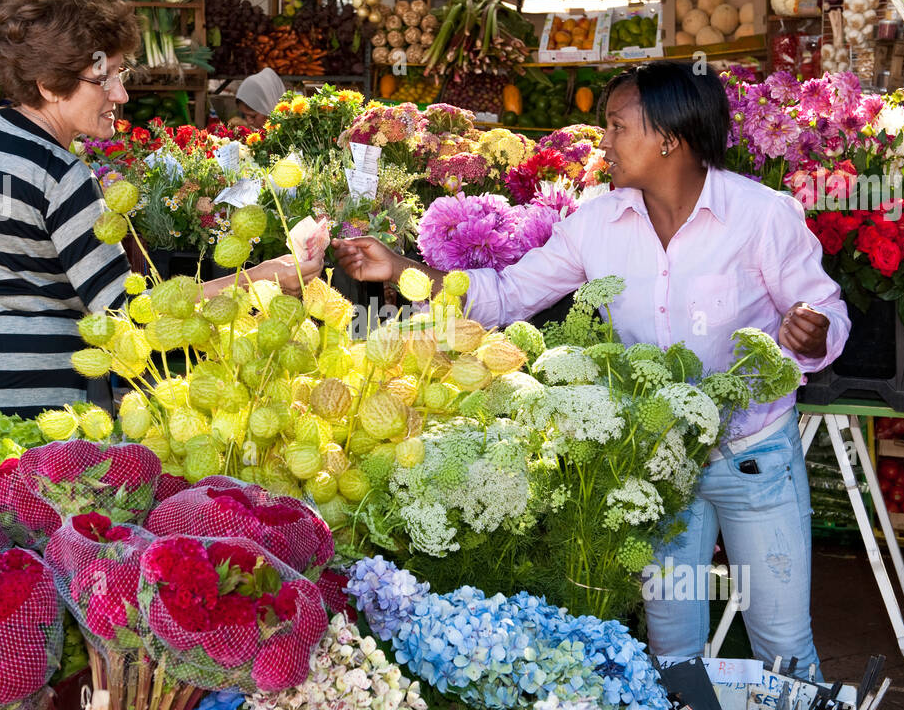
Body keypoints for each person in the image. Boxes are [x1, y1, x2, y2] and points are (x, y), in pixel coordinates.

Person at [332, 61, 850, 678]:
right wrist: (405, 271)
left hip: (754, 457)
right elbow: (508, 296)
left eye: (616, 125)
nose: (603, 140)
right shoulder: (597, 224)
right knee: (671, 652)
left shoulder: (761, 216)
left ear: (669, 137)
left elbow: (825, 308)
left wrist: (813, 333)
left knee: (782, 645)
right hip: (658, 468)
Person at [0, 0, 319, 422]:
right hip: (22, 404)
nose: (120, 95)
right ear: (50, 84)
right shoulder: (62, 177)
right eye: (102, 79)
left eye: (119, 75)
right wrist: (259, 279)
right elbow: (129, 314)